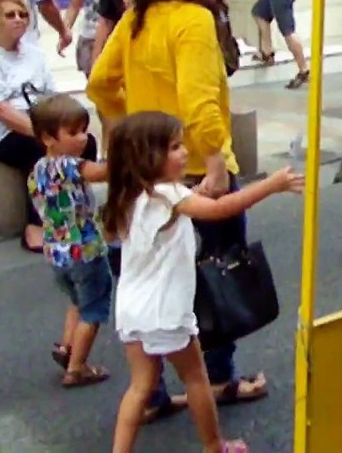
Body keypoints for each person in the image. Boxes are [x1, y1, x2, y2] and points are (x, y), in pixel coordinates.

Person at [87, 0, 270, 419]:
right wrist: (213, 158)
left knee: (144, 279)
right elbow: (198, 100)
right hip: (191, 168)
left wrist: (129, 133)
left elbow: (100, 84)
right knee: (214, 277)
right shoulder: (193, 19)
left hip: (143, 176)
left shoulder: (139, 15)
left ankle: (150, 392)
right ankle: (218, 381)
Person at [103, 111, 303, 453]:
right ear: (147, 156)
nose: (184, 152)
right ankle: (215, 446)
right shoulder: (169, 195)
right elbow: (223, 208)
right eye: (175, 147)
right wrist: (271, 185)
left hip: (132, 310)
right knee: (196, 377)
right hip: (166, 310)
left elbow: (176, 212)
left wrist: (196, 192)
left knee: (140, 386)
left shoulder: (130, 197)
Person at [0, 0, 97, 251]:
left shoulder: (34, 55)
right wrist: (46, 135)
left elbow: (51, 97)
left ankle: (73, 210)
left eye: (23, 15)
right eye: (10, 15)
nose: (18, 19)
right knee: (45, 151)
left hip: (38, 122)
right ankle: (36, 225)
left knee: (86, 142)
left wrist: (64, 127)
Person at [28, 93, 113, 387]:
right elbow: (101, 172)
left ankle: (66, 347)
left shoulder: (37, 170)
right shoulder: (68, 165)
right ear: (48, 138)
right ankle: (77, 368)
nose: (82, 137)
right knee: (93, 308)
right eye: (73, 132)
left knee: (76, 300)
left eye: (83, 130)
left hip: (56, 252)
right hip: (85, 249)